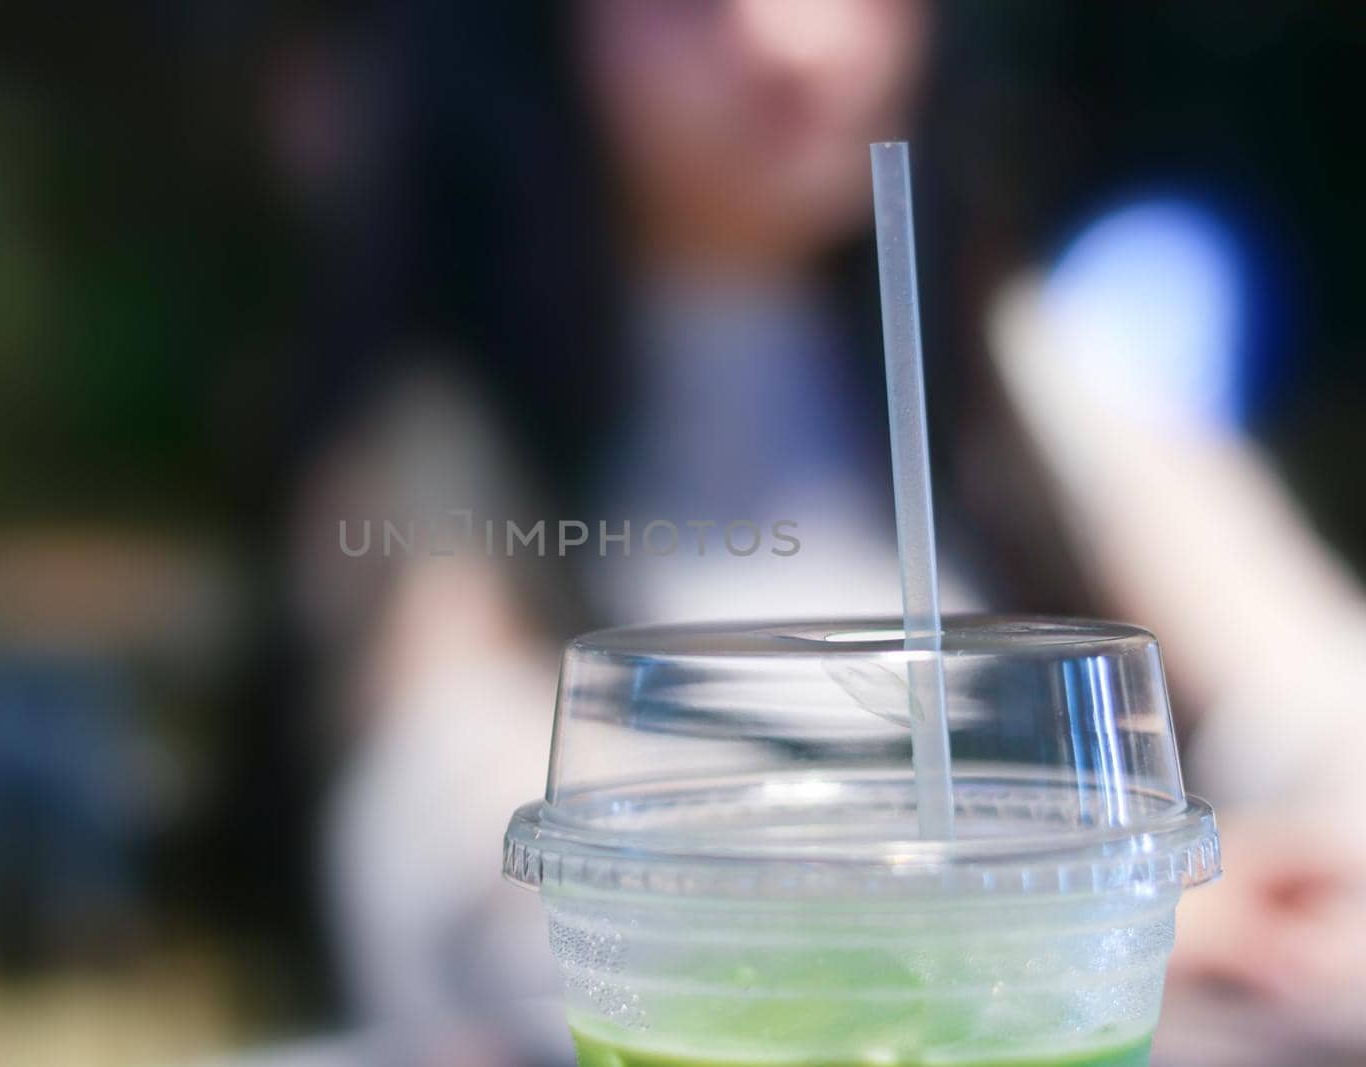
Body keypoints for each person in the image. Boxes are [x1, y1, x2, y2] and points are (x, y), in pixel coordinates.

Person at [287, 2, 1366, 1060]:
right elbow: (454, 836)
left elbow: (1321, 695)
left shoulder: (1023, 378)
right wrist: (1020, 938)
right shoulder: (439, 436)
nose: (784, 37)